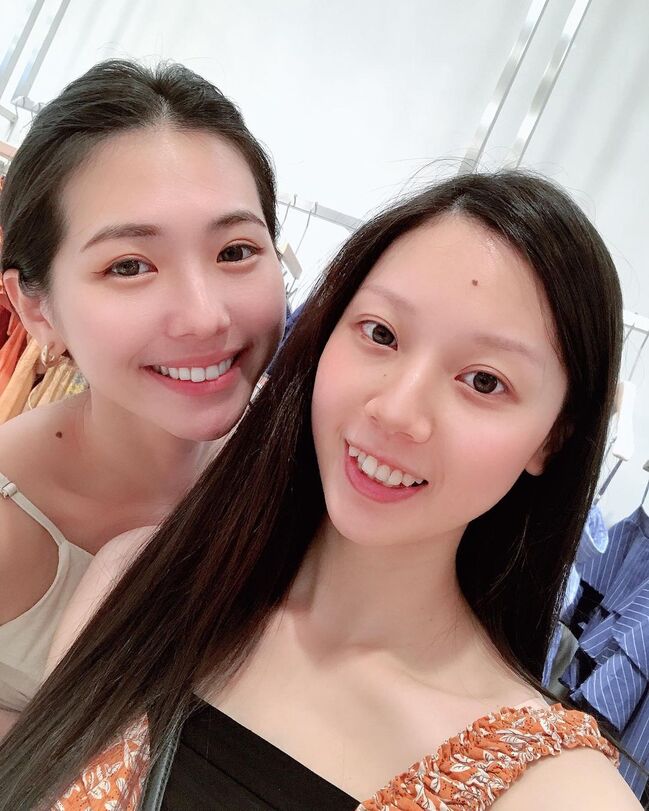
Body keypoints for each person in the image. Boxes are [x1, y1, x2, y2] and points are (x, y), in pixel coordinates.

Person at [0, 171, 642, 809]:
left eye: (483, 381)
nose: (396, 411)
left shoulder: (559, 793)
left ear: (552, 439)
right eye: (381, 334)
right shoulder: (135, 580)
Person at [0, 59, 287, 735]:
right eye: (129, 265)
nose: (206, 316)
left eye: (235, 251)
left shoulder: (314, 471)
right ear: (35, 308)